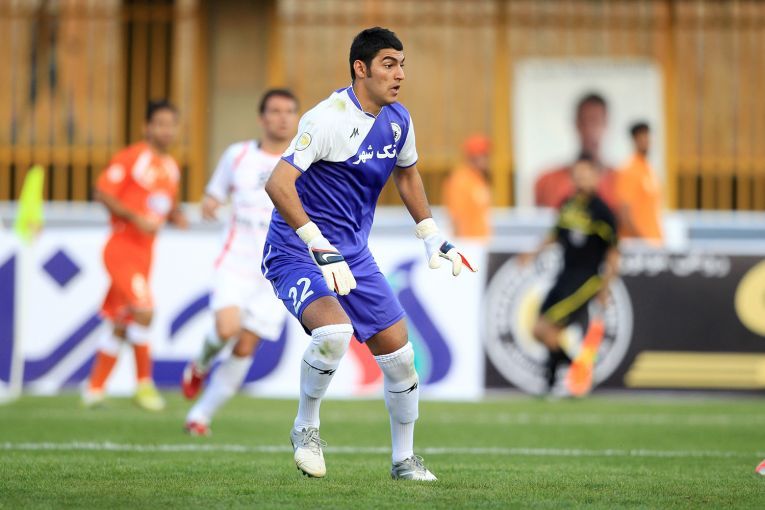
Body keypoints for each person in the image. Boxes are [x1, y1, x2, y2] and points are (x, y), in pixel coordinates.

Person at [262, 27, 476, 481]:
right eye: (388, 64)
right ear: (360, 68)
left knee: (401, 359)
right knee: (334, 332)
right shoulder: (327, 118)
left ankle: (404, 461)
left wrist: (431, 234)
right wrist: (317, 242)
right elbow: (278, 184)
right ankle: (306, 428)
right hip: (297, 249)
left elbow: (408, 174)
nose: (399, 74)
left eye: (402, 65)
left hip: (353, 255)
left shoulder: (398, 120)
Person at [181, 89, 300, 436]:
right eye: (275, 111)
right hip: (236, 261)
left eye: (289, 111)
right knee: (226, 329)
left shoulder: (303, 162)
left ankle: (200, 416)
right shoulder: (238, 155)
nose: (282, 118)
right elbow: (213, 195)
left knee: (246, 346)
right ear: (262, 118)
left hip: (277, 271)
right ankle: (201, 363)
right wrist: (210, 204)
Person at [82, 100, 188, 410]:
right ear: (147, 127)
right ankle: (144, 385)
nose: (166, 130)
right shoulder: (132, 157)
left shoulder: (171, 167)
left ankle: (94, 390)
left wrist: (176, 216)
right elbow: (102, 192)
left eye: (171, 125)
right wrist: (134, 217)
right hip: (121, 248)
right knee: (144, 311)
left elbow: (162, 205)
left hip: (145, 253)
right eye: (160, 124)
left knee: (121, 320)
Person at [523, 156, 619, 397]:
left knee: (546, 329)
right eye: (578, 174)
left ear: (596, 177)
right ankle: (572, 374)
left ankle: (557, 380)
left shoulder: (603, 211)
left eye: (586, 174)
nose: (581, 179)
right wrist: (533, 252)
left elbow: (613, 253)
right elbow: (556, 234)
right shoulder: (568, 204)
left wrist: (605, 287)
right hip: (564, 275)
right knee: (539, 330)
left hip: (585, 280)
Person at [534, 93, 618, 211]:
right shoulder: (547, 182)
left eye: (595, 121)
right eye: (584, 121)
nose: (589, 129)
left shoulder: (620, 182)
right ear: (576, 124)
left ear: (606, 123)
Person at [616, 122, 663, 245]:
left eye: (647, 137)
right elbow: (624, 212)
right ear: (634, 140)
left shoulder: (648, 169)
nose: (645, 141)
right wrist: (641, 241)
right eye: (641, 137)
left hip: (653, 242)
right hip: (637, 245)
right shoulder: (630, 170)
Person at [442, 134, 492, 239]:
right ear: (473, 157)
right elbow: (456, 216)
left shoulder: (478, 178)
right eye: (484, 154)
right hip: (467, 242)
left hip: (480, 241)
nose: (487, 158)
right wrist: (460, 244)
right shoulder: (460, 180)